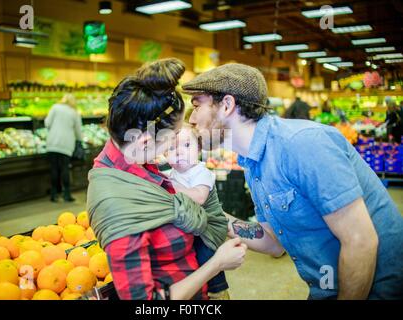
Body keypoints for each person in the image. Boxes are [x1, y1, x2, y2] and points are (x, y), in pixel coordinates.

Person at [182, 62, 403, 300]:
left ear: (227, 105)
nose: (192, 119)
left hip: (378, 288)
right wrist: (209, 215)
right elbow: (273, 241)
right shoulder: (252, 161)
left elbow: (361, 241)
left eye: (196, 106)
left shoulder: (302, 144)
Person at [86, 58, 247, 300]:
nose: (174, 146)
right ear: (144, 141)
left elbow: (188, 206)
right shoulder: (119, 205)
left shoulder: (137, 160)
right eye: (171, 138)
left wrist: (256, 233)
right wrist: (215, 265)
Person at [166, 125, 229, 299]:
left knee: (203, 251)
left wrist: (171, 187)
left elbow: (199, 197)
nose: (179, 152)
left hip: (210, 227)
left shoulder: (201, 172)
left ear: (199, 149)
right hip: (192, 224)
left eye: (187, 146)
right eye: (171, 148)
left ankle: (218, 289)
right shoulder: (171, 174)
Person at [45, 93, 82, 202]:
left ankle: (54, 194)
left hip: (52, 142)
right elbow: (78, 131)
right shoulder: (74, 112)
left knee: (54, 169)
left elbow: (47, 123)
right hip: (66, 144)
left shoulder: (55, 107)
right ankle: (67, 195)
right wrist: (79, 142)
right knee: (65, 169)